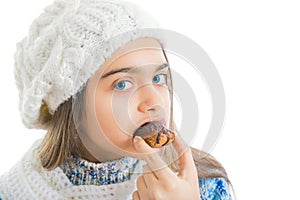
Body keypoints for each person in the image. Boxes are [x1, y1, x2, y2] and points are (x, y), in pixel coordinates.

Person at [0, 0, 234, 199]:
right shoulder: (10, 192)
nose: (154, 101)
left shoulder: (203, 187)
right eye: (122, 84)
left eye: (158, 77)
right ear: (72, 108)